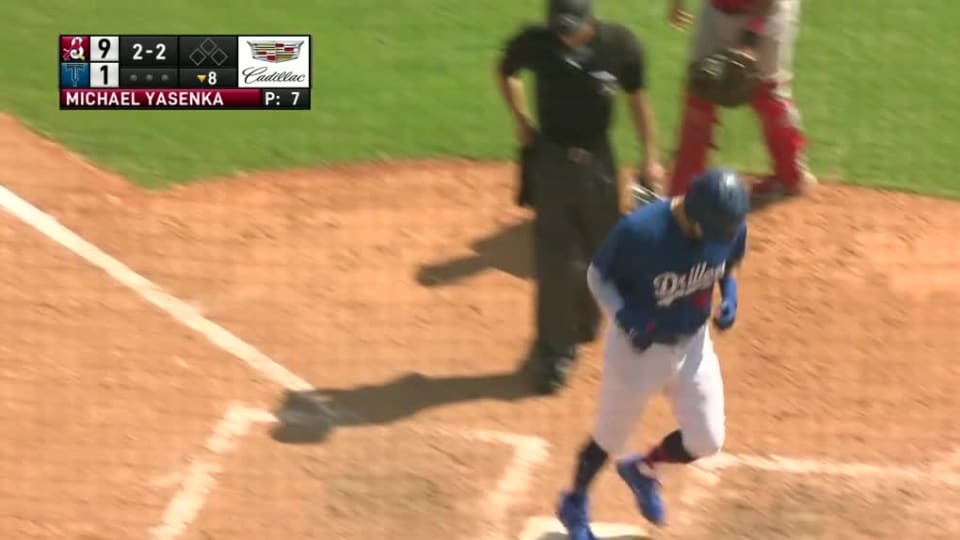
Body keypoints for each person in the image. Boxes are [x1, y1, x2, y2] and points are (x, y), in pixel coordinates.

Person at [555, 167, 749, 537]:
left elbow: (727, 263)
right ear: (693, 215)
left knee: (707, 440)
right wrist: (625, 318)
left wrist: (730, 297)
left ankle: (643, 469)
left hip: (693, 344)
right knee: (608, 438)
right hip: (637, 352)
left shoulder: (727, 224)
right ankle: (574, 502)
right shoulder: (640, 231)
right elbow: (598, 276)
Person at [495, 0, 666, 394]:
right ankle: (553, 352)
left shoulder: (620, 46)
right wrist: (522, 121)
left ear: (591, 20)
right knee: (556, 259)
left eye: (571, 27)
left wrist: (650, 158)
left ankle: (586, 319)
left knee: (600, 250)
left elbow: (638, 102)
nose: (564, 35)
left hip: (599, 164)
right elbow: (506, 71)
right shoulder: (536, 43)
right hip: (551, 161)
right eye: (559, 26)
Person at [666, 0, 815, 198]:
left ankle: (791, 177)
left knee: (767, 92)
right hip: (716, 9)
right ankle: (683, 188)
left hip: (767, 13)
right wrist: (676, 4)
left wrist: (750, 39)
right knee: (700, 88)